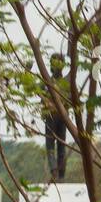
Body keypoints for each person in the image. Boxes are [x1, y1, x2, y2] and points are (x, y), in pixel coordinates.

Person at [43, 53, 69, 182]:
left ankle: (54, 171)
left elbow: (39, 90)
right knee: (61, 146)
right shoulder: (68, 82)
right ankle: (61, 176)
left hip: (52, 117)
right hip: (63, 118)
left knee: (51, 146)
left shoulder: (47, 81)